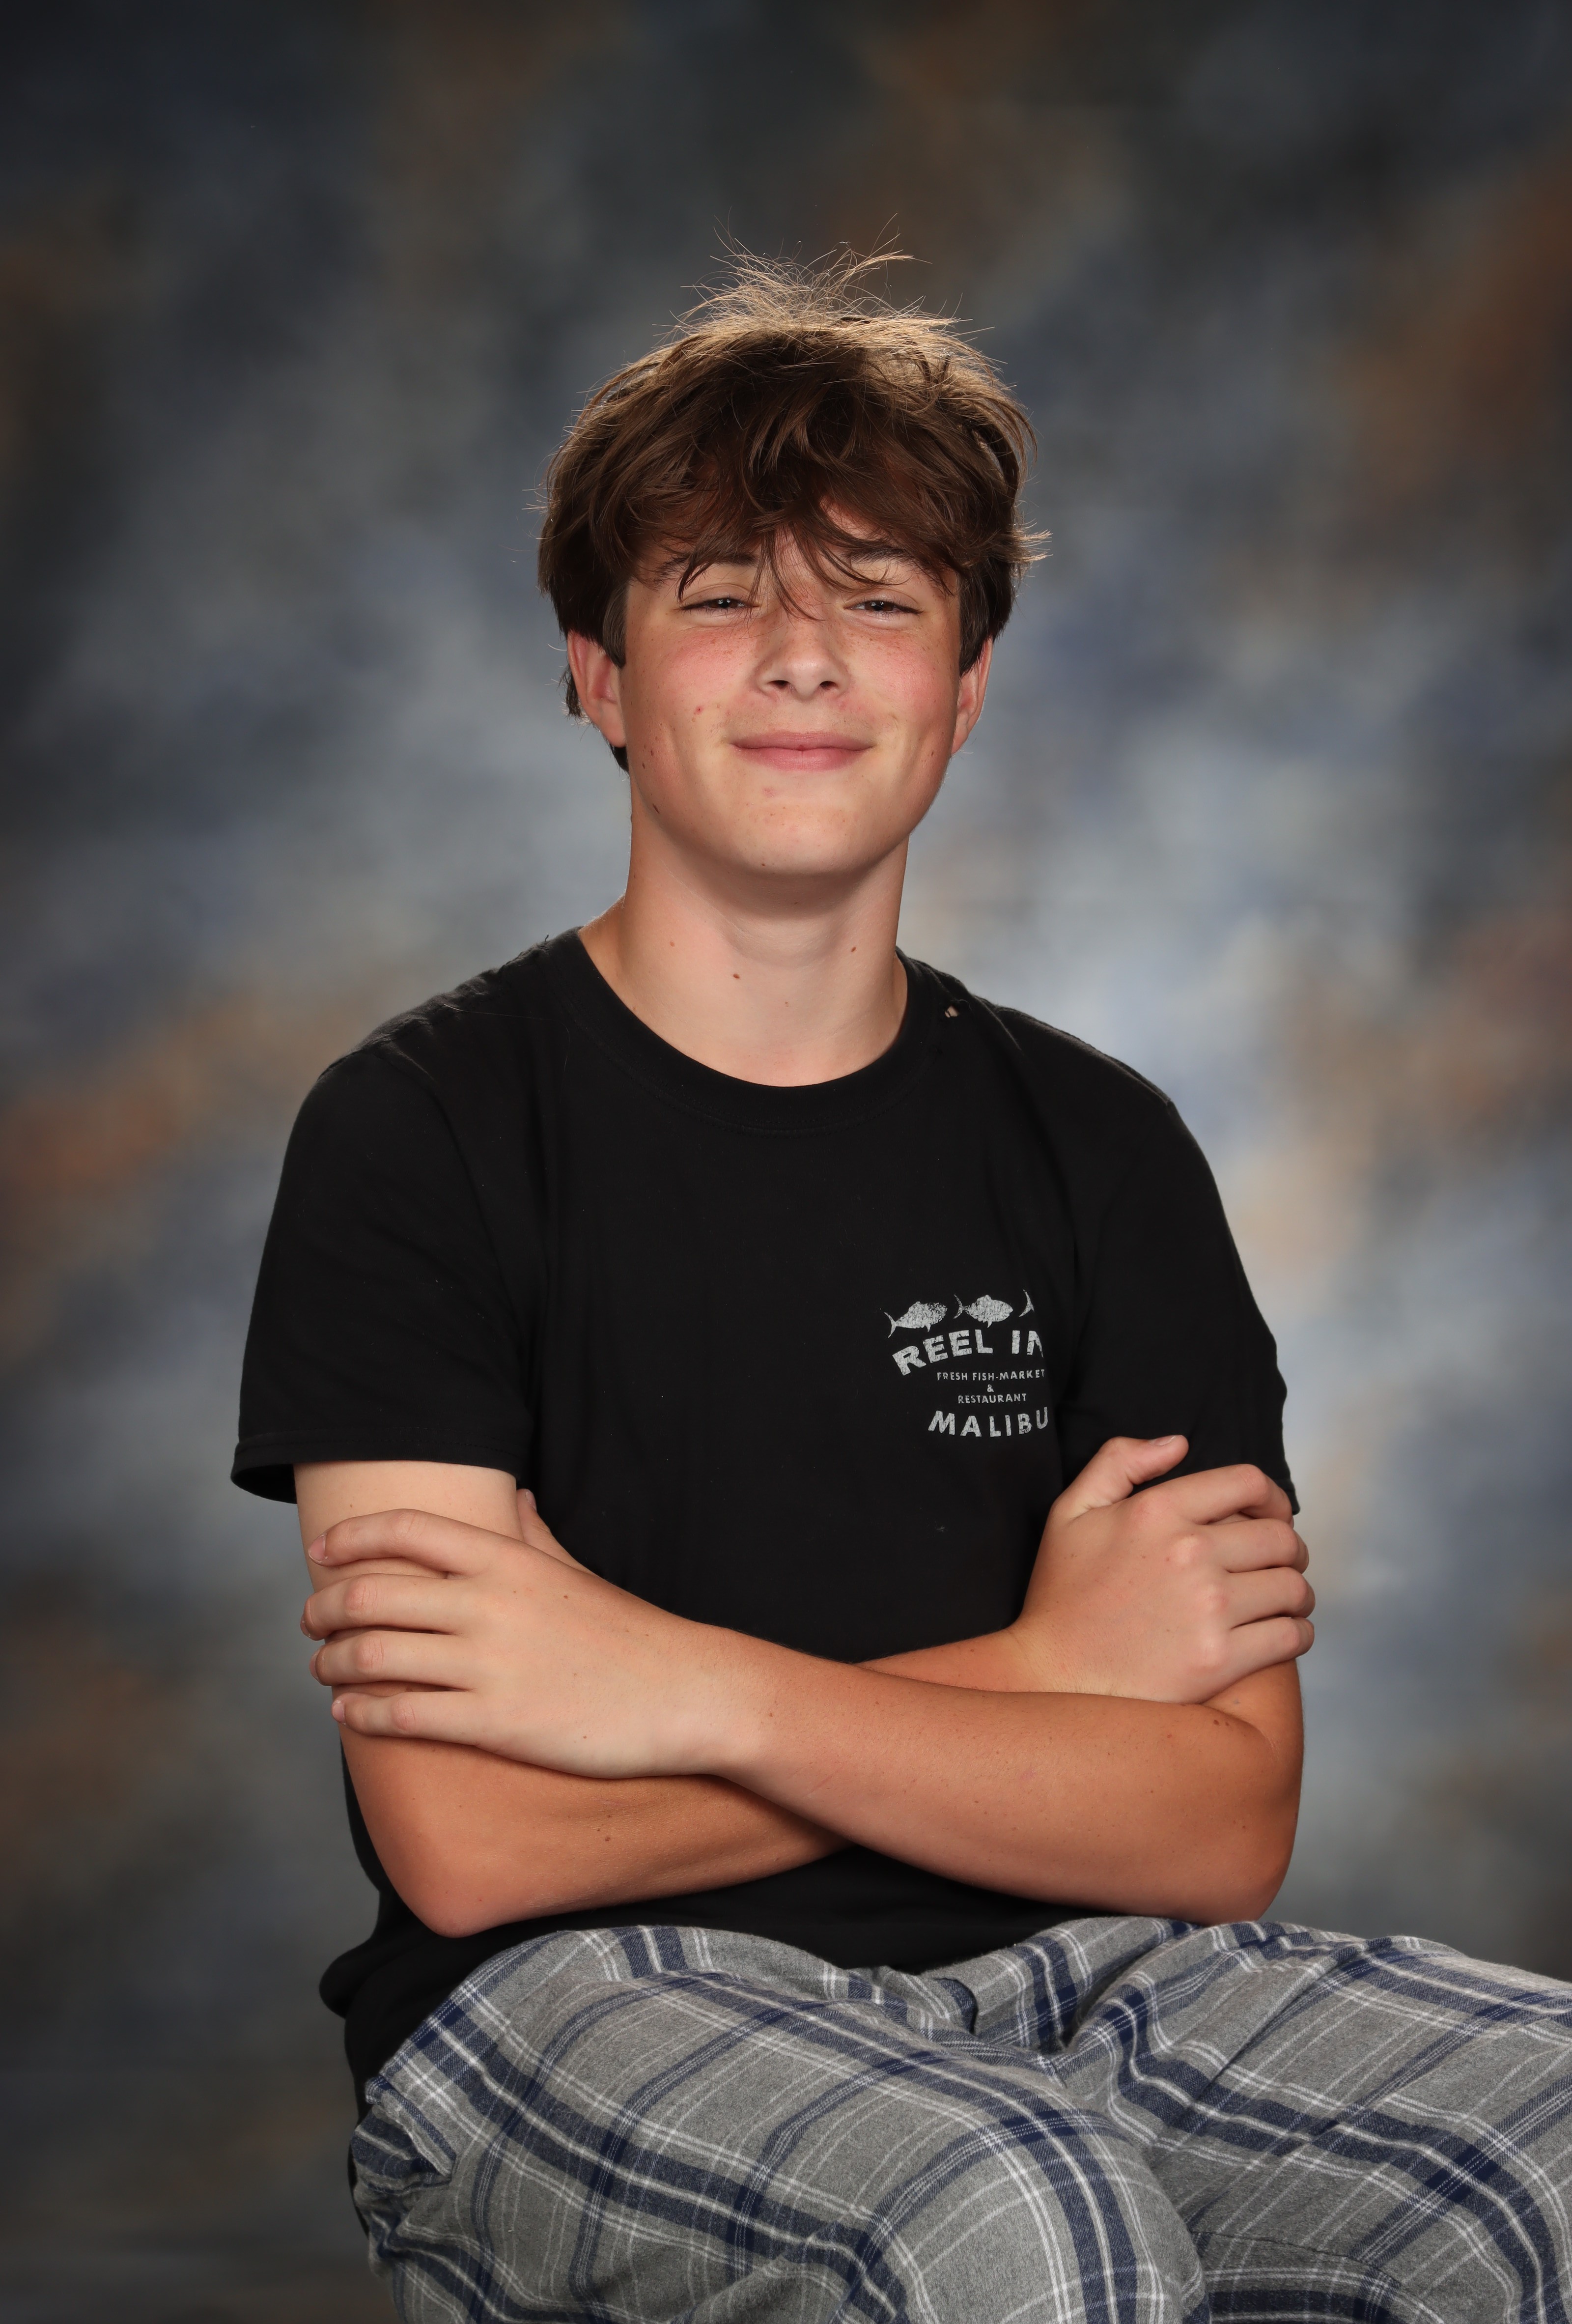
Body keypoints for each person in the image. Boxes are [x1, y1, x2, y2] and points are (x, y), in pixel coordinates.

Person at [234, 254, 1572, 2322]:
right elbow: (480, 1842)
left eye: (876, 600)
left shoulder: (1102, 1147)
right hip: (559, 2007)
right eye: (717, 595)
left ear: (962, 692)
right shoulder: (416, 1132)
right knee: (1021, 2213)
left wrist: (677, 1688)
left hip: (1092, 1971)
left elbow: (1218, 1821)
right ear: (599, 679)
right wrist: (1051, 1674)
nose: (801, 655)